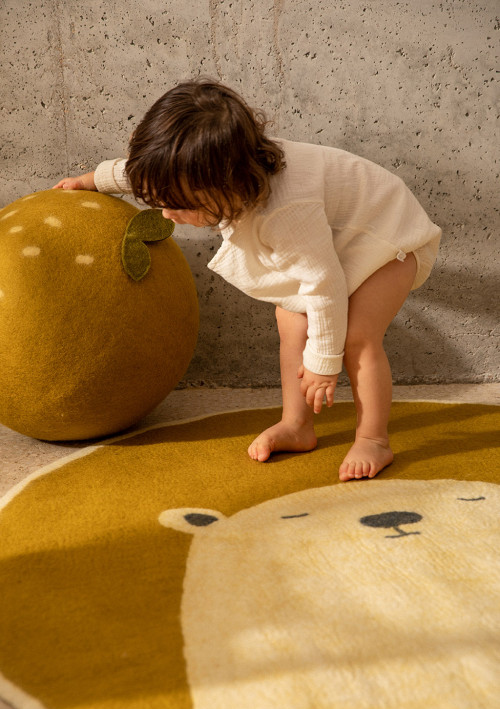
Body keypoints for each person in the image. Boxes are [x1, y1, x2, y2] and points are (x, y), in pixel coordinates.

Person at [53, 79, 441, 481]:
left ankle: (373, 439)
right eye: (160, 199)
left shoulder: (285, 209)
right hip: (333, 238)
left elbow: (323, 285)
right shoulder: (208, 170)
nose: (167, 215)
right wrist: (91, 181)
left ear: (229, 184)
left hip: (385, 235)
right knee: (291, 320)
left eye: (181, 205)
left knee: (357, 337)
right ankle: (297, 425)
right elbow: (149, 174)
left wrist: (324, 363)